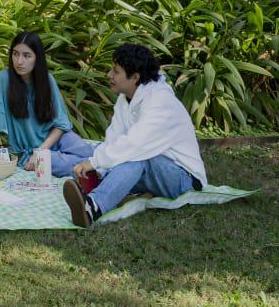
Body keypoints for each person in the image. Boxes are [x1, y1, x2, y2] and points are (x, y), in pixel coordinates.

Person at [60, 43, 207, 227]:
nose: (109, 75)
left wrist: (95, 161)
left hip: (186, 181)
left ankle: (93, 207)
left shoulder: (160, 101)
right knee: (106, 155)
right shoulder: (125, 99)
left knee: (135, 157)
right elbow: (113, 139)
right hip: (155, 172)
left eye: (116, 71)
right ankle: (99, 190)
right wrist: (96, 167)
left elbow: (136, 145)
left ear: (135, 77)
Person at [0, 31, 95, 174]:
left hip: (55, 138)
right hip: (30, 151)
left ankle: (102, 167)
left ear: (37, 58)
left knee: (90, 154)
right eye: (15, 54)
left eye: (26, 55)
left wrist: (41, 150)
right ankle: (101, 170)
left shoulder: (47, 80)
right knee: (68, 164)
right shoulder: (3, 79)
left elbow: (61, 124)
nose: (19, 61)